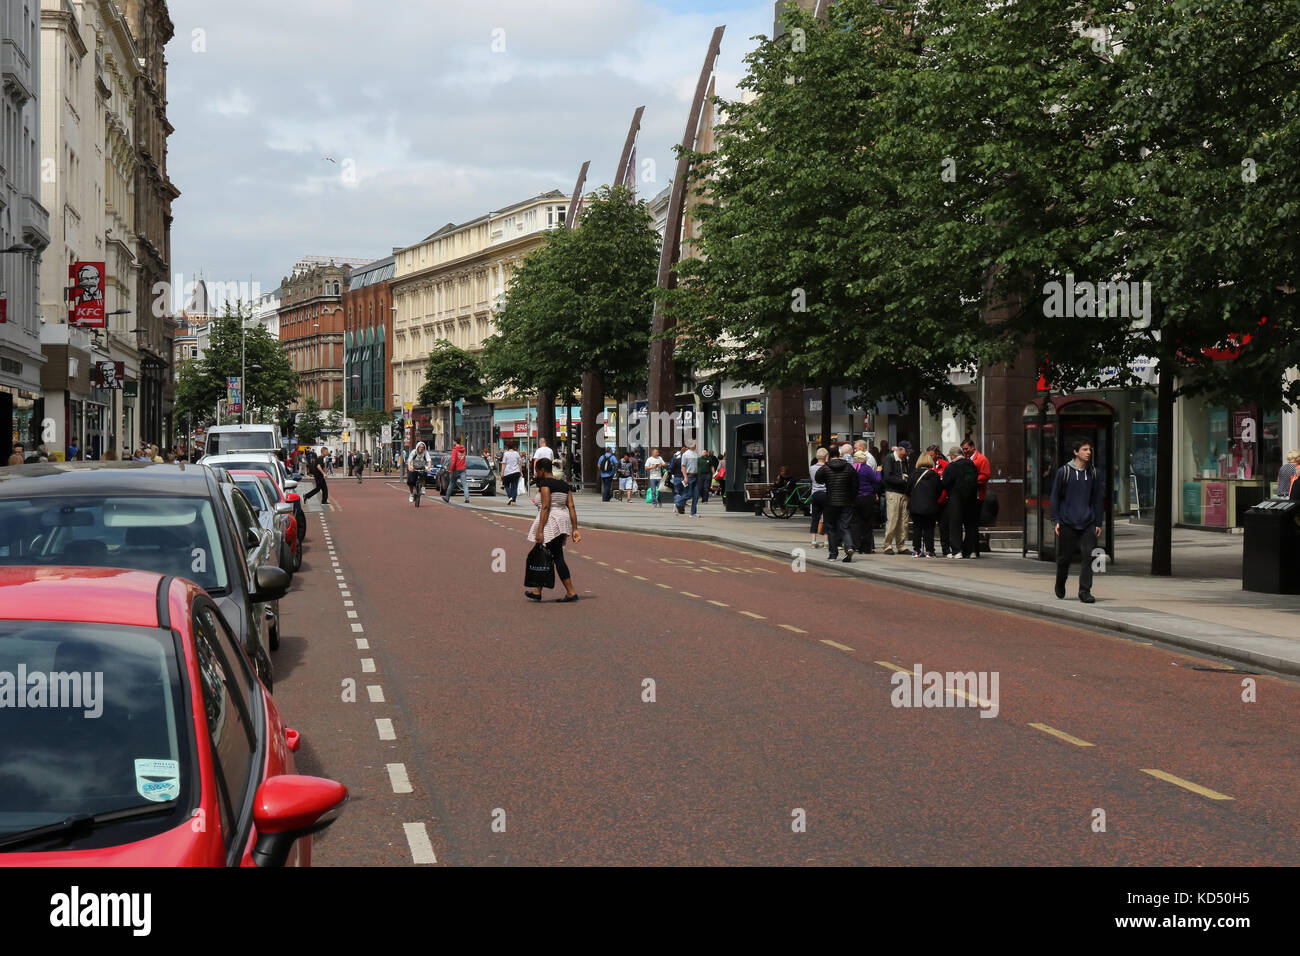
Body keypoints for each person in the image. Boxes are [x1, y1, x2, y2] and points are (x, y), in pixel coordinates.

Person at [1049, 438, 1104, 603]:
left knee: (1090, 556)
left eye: (1090, 449)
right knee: (1065, 558)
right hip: (1068, 522)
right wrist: (1056, 519)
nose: (1089, 452)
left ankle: (1084, 591)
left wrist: (1098, 522)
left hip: (1088, 522)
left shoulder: (1094, 473)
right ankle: (1060, 582)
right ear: (1076, 452)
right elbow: (1055, 497)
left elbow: (1097, 500)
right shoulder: (1064, 472)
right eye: (1085, 449)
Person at [524, 456, 582, 602]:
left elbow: (545, 506)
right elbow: (571, 507)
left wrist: (539, 530)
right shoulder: (564, 484)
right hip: (563, 520)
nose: (536, 474)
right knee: (547, 553)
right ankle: (538, 591)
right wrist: (575, 528)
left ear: (542, 470)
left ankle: (571, 592)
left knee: (555, 556)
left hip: (551, 520)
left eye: (537, 471)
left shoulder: (546, 484)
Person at [815, 444, 856, 562]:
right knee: (845, 526)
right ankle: (849, 547)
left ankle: (833, 554)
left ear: (828, 455)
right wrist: (852, 498)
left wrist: (826, 463)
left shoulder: (826, 467)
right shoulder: (848, 467)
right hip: (846, 501)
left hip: (830, 502)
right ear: (840, 455)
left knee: (831, 527)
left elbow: (818, 479)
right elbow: (855, 484)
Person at [940, 445, 980, 558]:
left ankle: (957, 551)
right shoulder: (971, 464)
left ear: (953, 455)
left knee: (955, 524)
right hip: (971, 498)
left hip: (956, 498)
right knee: (970, 525)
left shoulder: (951, 466)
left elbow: (945, 483)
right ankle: (971, 551)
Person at [907, 452, 943, 557]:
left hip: (915, 506)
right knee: (929, 528)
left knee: (917, 527)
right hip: (930, 506)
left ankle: (916, 550)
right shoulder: (935, 476)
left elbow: (908, 490)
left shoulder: (913, 475)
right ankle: (929, 550)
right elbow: (939, 491)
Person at [881, 443, 912, 554]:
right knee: (893, 519)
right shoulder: (890, 459)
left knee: (904, 521)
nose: (907, 454)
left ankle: (901, 545)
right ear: (900, 449)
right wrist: (903, 481)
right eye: (906, 451)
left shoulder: (904, 460)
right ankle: (887, 545)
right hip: (893, 492)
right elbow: (887, 476)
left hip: (904, 493)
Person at [963, 436, 992, 553]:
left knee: (973, 522)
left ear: (973, 447)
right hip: (968, 495)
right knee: (970, 523)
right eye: (963, 449)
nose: (965, 451)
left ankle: (973, 548)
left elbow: (985, 476)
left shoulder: (981, 459)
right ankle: (973, 548)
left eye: (966, 448)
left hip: (977, 496)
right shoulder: (966, 459)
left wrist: (971, 481)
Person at [851, 449, 882, 554]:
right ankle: (866, 548)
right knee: (867, 523)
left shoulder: (852, 469)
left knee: (856, 523)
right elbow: (877, 481)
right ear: (864, 460)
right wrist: (878, 472)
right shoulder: (866, 469)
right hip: (867, 498)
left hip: (855, 499)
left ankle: (856, 545)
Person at [808, 448, 829, 547]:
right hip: (825, 494)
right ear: (826, 457)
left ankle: (813, 541)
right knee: (826, 518)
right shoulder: (828, 468)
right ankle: (826, 542)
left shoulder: (811, 468)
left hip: (815, 494)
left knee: (815, 518)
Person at [442, 438, 470, 503]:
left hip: (456, 469)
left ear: (455, 442)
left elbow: (453, 461)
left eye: (453, 441)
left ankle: (447, 498)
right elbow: (464, 458)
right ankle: (467, 498)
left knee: (451, 483)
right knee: (464, 484)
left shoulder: (454, 450)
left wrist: (451, 470)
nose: (453, 442)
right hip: (463, 468)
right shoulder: (463, 449)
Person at [682, 441, 701, 517]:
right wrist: (685, 477)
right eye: (694, 444)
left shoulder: (696, 454)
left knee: (696, 495)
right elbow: (683, 466)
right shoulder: (685, 454)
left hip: (696, 476)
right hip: (689, 476)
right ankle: (678, 503)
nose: (695, 445)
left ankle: (693, 513)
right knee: (689, 494)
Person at [501, 440, 523, 505]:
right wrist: (521, 471)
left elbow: (504, 464)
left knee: (506, 485)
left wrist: (502, 473)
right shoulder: (516, 453)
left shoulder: (506, 454)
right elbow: (520, 463)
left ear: (507, 447)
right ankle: (514, 500)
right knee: (514, 486)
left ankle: (510, 497)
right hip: (516, 472)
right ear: (513, 446)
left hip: (507, 472)